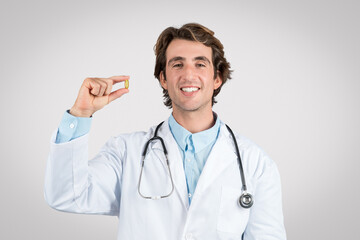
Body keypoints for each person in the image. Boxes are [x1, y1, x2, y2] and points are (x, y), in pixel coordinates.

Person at [44, 23, 286, 240]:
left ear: (217, 78)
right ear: (163, 78)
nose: (189, 74)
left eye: (200, 64)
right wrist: (80, 114)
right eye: (177, 64)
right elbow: (66, 195)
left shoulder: (256, 164)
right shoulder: (126, 152)